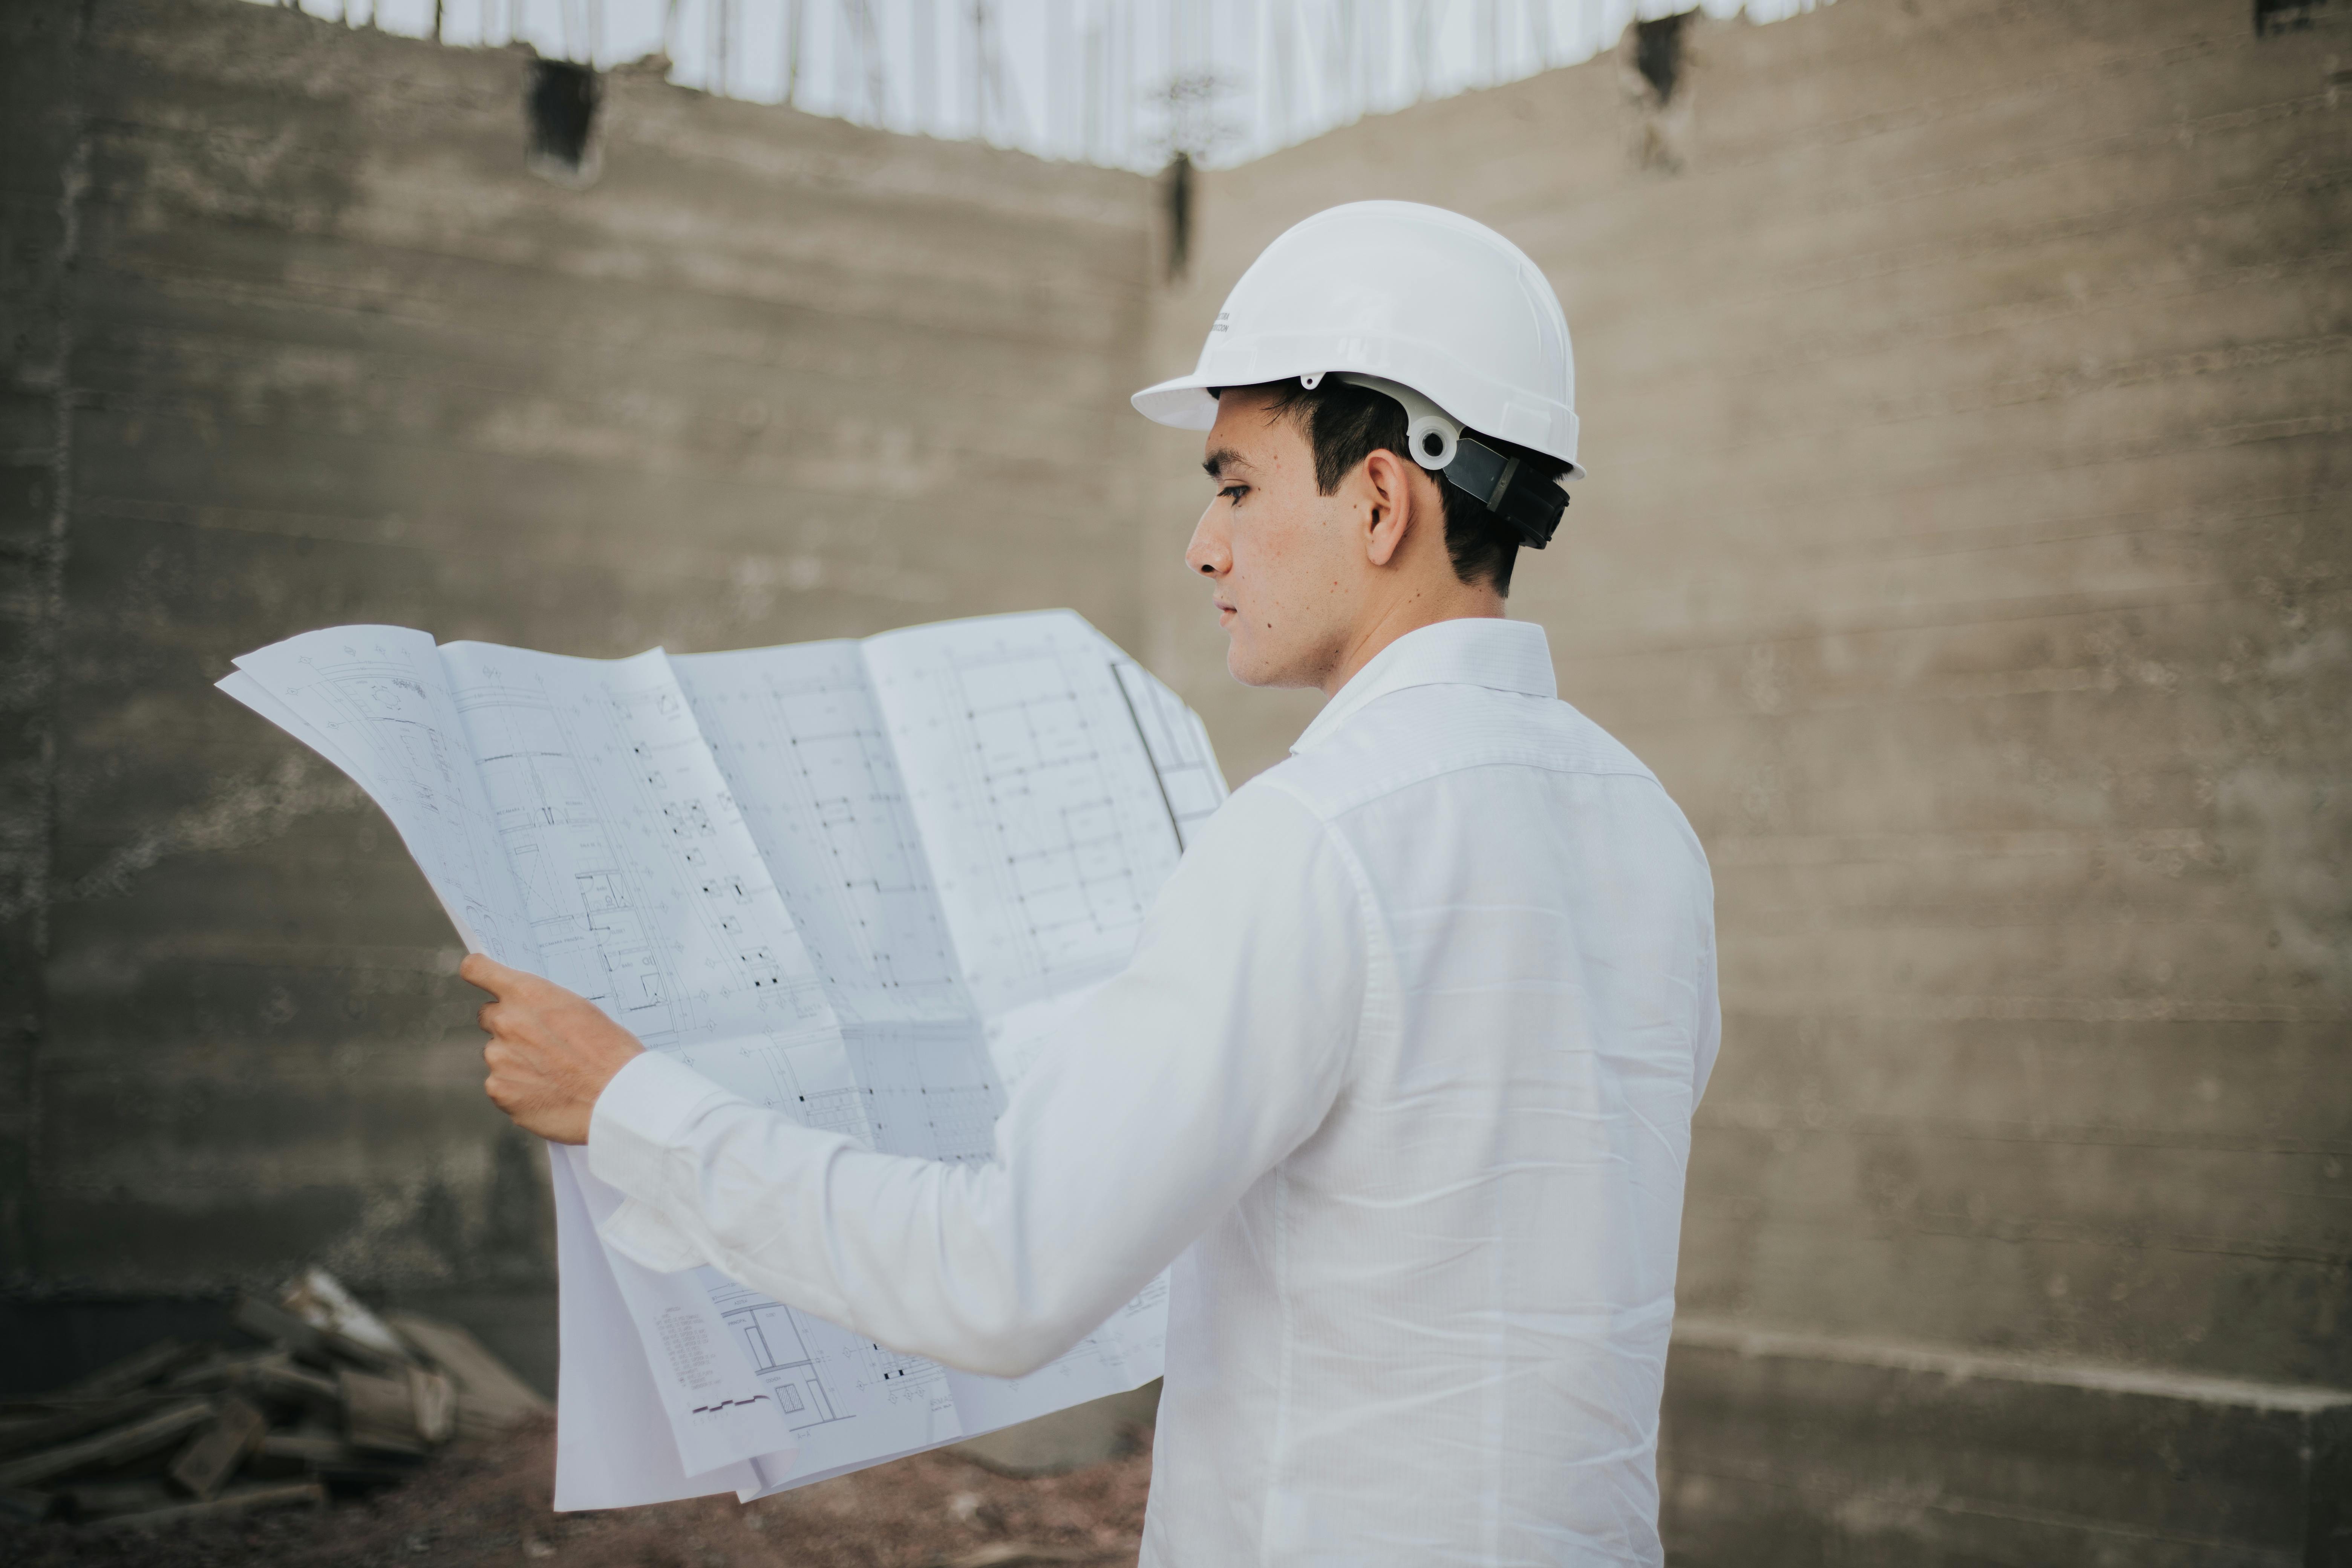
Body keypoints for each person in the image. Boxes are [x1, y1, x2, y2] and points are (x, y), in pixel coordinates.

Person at [464, 201, 1719, 1566]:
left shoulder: (1317, 837)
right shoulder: (1647, 833)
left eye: (1236, 484)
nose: (1204, 545)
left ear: (1379, 500)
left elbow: (1000, 1276)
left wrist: (628, 1104)